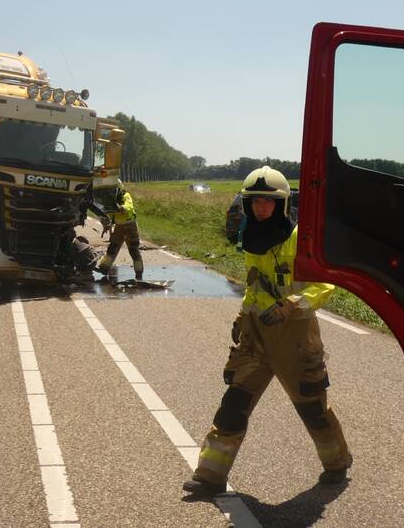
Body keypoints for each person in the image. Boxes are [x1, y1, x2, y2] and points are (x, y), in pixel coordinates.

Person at [183, 166, 352, 497]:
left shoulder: (301, 238)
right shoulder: (251, 240)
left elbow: (325, 284)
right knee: (234, 403)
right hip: (256, 335)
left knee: (312, 408)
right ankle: (210, 476)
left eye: (268, 202)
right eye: (255, 202)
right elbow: (253, 286)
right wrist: (241, 315)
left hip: (296, 335)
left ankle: (337, 463)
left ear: (282, 204)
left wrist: (292, 304)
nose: (261, 208)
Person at [95, 181, 144, 281]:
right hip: (119, 226)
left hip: (130, 225)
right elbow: (110, 214)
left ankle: (139, 272)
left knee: (133, 249)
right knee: (113, 247)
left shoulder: (125, 196)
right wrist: (107, 225)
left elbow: (129, 207)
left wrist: (120, 207)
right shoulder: (111, 200)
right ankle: (104, 268)